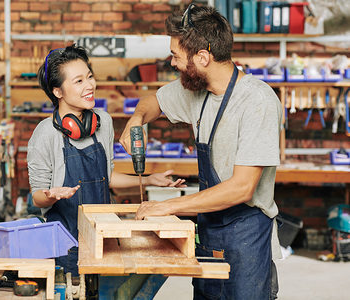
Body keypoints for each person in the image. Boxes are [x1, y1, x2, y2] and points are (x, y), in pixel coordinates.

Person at [119, 4, 282, 300]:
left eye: (176, 56)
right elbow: (151, 101)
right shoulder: (197, 90)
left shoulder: (257, 101)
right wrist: (136, 119)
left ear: (202, 57)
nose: (172, 63)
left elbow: (242, 188)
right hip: (209, 230)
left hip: (246, 235)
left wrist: (169, 206)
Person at [27, 44, 185, 277]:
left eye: (89, 77)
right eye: (78, 81)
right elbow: (37, 196)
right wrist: (51, 194)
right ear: (58, 91)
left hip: (106, 235)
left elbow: (106, 176)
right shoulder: (45, 134)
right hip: (67, 242)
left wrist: (149, 179)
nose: (90, 85)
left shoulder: (103, 122)